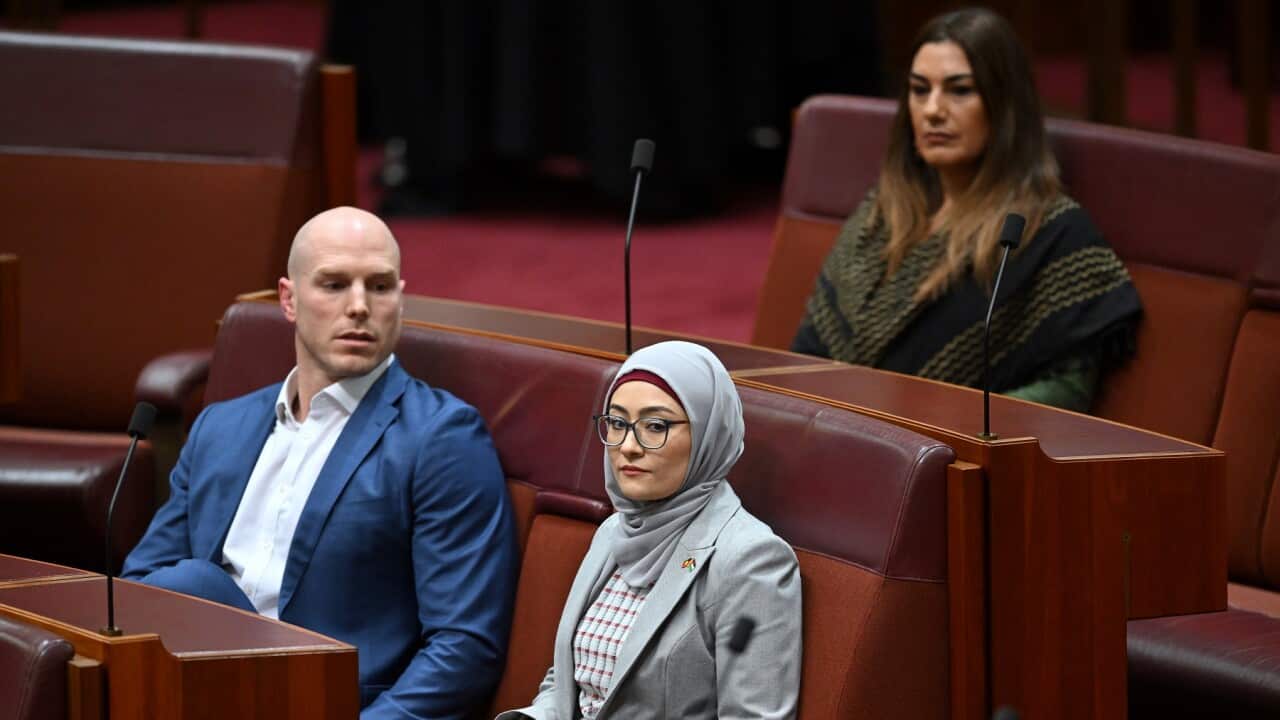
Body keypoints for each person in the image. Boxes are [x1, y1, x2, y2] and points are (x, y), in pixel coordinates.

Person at [122, 206, 518, 719]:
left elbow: (464, 649)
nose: (359, 307)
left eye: (379, 287)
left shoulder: (441, 438)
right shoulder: (221, 427)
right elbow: (144, 584)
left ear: (400, 297)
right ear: (289, 299)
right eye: (333, 285)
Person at [792, 8, 1142, 413]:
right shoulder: (881, 212)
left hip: (952, 461)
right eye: (919, 90)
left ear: (1004, 105)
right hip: (840, 436)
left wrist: (943, 421)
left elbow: (1066, 393)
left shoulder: (1050, 235)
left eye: (959, 91)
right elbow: (809, 355)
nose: (933, 110)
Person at [498, 341, 802, 720]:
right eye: (618, 423)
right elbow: (568, 682)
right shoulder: (614, 531)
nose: (628, 447)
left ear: (709, 433)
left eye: (655, 426)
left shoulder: (750, 560)